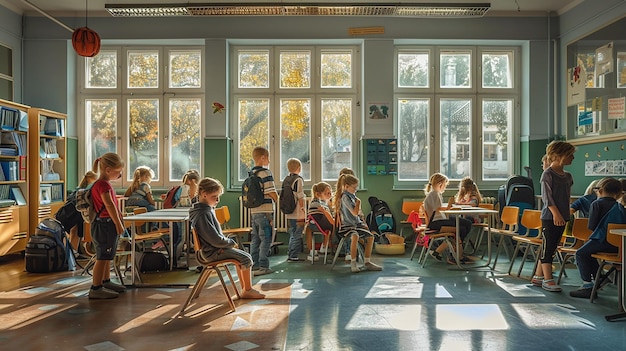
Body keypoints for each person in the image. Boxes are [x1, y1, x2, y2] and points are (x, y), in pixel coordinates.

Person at [189, 177, 265, 299]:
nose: (218, 200)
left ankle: (245, 289)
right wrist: (230, 243)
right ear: (204, 195)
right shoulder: (203, 214)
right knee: (245, 258)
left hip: (212, 250)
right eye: (215, 196)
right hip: (212, 252)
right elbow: (214, 239)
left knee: (243, 256)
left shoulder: (204, 210)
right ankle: (247, 290)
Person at [531, 140, 576, 292]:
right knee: (547, 247)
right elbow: (547, 198)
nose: (572, 158)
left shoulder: (568, 176)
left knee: (552, 247)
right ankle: (548, 280)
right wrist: (556, 214)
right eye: (569, 155)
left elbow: (566, 196)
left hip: (563, 216)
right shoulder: (547, 174)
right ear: (557, 156)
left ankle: (538, 276)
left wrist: (565, 212)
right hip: (550, 217)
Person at [570, 177, 626, 298]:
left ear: (599, 191)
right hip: (619, 246)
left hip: (602, 240)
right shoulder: (620, 206)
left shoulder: (596, 204)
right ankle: (599, 278)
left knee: (580, 253)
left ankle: (587, 285)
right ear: (617, 193)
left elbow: (592, 226)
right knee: (588, 253)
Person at [88, 153, 127, 299]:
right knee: (102, 256)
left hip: (106, 224)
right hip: (104, 225)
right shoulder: (102, 185)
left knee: (107, 255)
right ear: (108, 170)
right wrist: (118, 223)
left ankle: (106, 281)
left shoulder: (103, 184)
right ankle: (96, 287)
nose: (120, 175)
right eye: (118, 171)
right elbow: (109, 204)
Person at [333, 173, 382, 273]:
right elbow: (354, 213)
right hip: (347, 227)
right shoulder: (345, 197)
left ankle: (367, 262)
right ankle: (353, 262)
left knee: (370, 236)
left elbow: (358, 215)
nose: (356, 190)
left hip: (356, 225)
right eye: (354, 188)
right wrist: (358, 203)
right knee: (355, 236)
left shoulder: (352, 196)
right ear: (346, 187)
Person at [424, 173, 473, 264]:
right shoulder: (434, 194)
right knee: (462, 228)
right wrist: (449, 207)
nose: (445, 188)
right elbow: (437, 209)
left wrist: (448, 207)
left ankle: (454, 252)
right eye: (445, 185)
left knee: (466, 224)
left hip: (437, 221)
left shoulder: (434, 194)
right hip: (436, 223)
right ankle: (455, 255)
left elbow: (437, 209)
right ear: (440, 184)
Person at [249, 146, 278, 276]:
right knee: (266, 238)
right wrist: (278, 201)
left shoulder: (251, 173)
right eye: (268, 158)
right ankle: (264, 266)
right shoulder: (266, 173)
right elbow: (271, 192)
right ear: (262, 157)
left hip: (254, 212)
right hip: (265, 212)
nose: (269, 161)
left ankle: (254, 265)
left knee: (255, 239)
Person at [55, 171, 97, 252]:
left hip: (64, 214)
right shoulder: (85, 192)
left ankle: (72, 254)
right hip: (72, 215)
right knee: (75, 233)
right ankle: (72, 254)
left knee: (73, 234)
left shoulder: (79, 190)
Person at [305, 182, 334, 262]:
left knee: (308, 228)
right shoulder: (318, 203)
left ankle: (313, 251)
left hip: (317, 225)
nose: (329, 195)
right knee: (328, 229)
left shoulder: (320, 203)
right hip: (321, 225)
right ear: (318, 194)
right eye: (327, 193)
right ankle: (323, 247)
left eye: (330, 193)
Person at [284, 158, 306, 262]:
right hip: (298, 212)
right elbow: (300, 196)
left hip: (289, 212)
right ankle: (293, 255)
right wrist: (304, 210)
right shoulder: (298, 180)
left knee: (292, 233)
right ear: (299, 168)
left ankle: (290, 253)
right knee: (298, 234)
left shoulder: (286, 179)